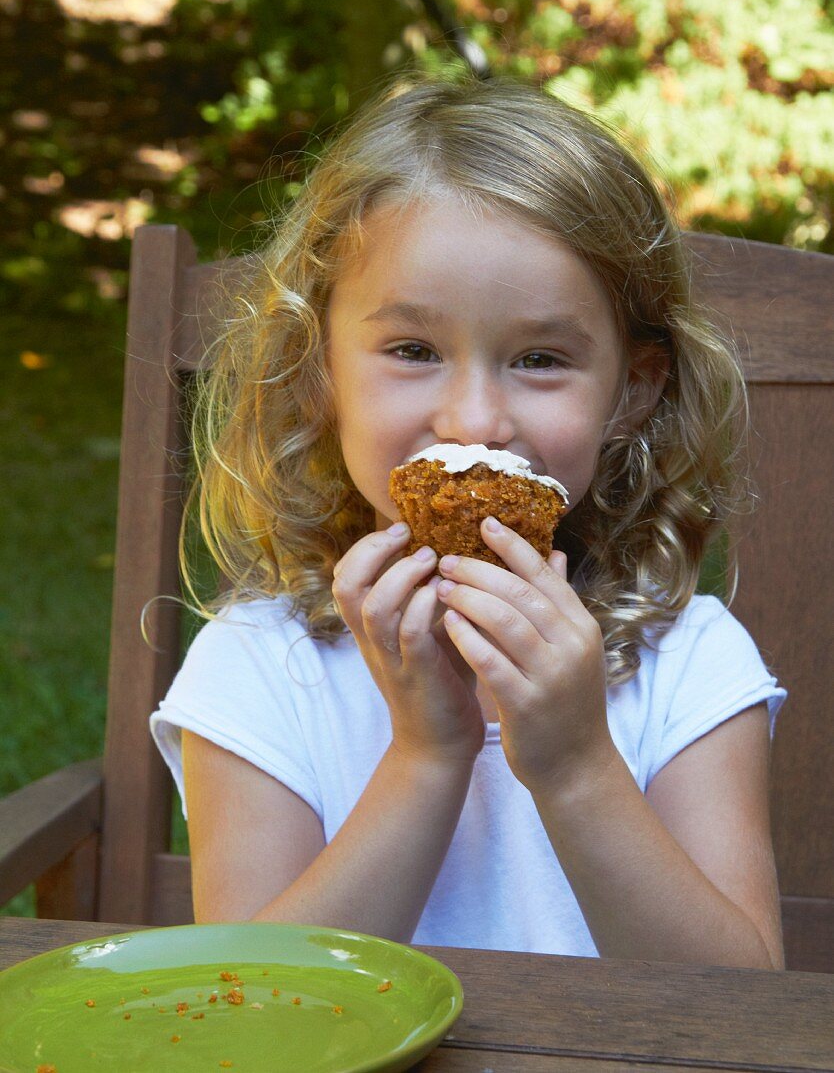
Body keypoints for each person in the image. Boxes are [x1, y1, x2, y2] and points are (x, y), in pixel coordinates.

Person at [150, 70, 786, 967]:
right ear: (318, 372)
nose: (477, 421)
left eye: (539, 358)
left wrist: (573, 765)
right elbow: (250, 1012)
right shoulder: (260, 669)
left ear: (632, 392)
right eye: (413, 350)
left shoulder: (686, 667)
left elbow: (739, 1013)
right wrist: (425, 755)